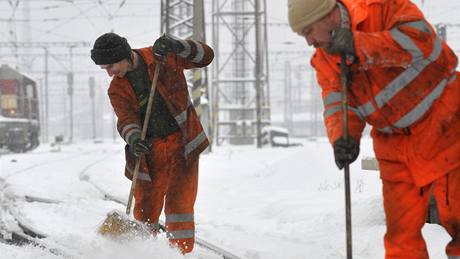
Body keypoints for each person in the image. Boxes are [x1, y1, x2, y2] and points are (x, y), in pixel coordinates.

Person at [288, 0, 460, 258]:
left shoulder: (384, 8)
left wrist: (359, 44)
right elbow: (337, 102)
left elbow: (421, 43)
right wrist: (342, 136)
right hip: (393, 144)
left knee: (457, 217)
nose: (309, 41)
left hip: (445, 123)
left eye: (308, 31)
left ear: (326, 15)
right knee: (401, 236)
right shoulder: (324, 59)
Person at [90, 32, 214, 253]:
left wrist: (178, 45)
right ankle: (141, 253)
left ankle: (180, 254)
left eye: (111, 66)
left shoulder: (161, 57)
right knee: (146, 208)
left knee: (180, 205)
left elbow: (206, 56)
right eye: (105, 69)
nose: (110, 73)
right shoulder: (116, 89)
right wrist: (134, 138)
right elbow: (126, 119)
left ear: (125, 55)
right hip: (150, 151)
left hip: (182, 144)